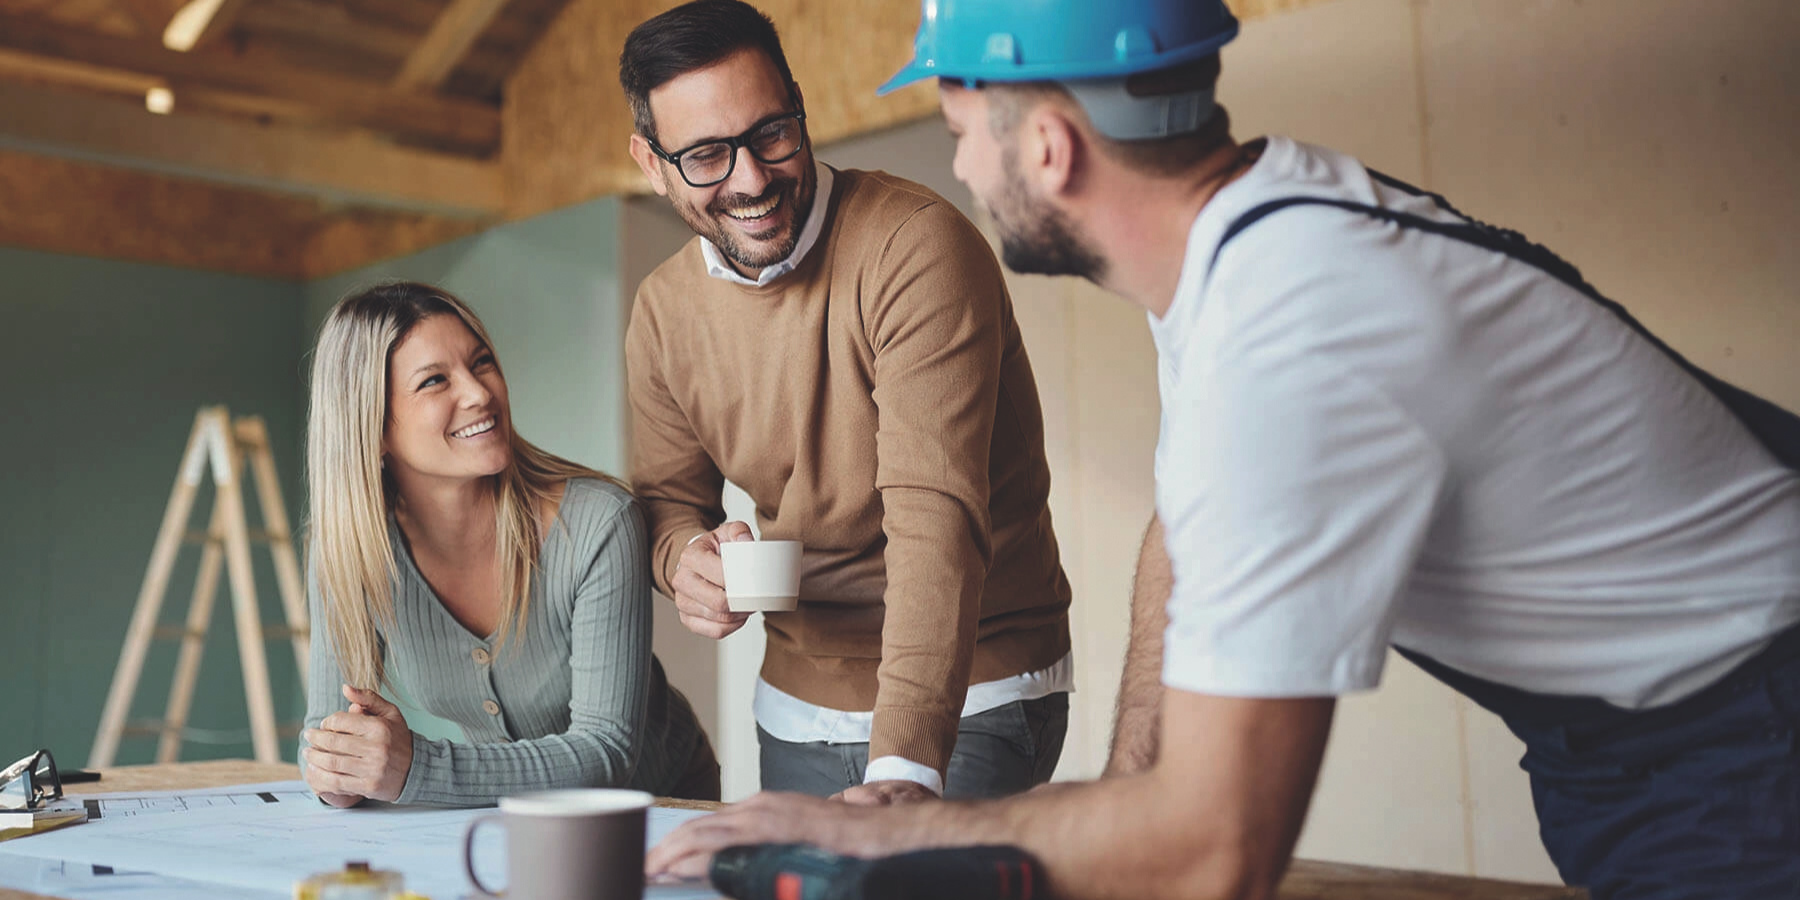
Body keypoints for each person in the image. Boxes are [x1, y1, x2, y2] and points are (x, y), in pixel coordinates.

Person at [648, 1, 1800, 897]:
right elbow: (1181, 528)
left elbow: (1216, 853)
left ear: (1046, 148)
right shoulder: (1246, 237)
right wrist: (1120, 794)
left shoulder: (1291, 332)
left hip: (1745, 734)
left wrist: (900, 820)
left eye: (959, 134)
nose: (956, 171)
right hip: (1646, 733)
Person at [618, 0, 1076, 805]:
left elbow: (935, 518)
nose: (752, 178)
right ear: (652, 165)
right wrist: (683, 561)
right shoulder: (662, 313)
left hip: (974, 689)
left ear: (800, 104)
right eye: (707, 157)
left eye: (771, 133)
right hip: (796, 706)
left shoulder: (913, 245)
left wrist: (903, 765)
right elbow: (666, 502)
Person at [298, 281, 717, 806]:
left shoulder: (598, 523)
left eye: (481, 363)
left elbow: (607, 753)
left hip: (662, 807)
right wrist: (345, 774)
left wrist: (414, 766)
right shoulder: (347, 549)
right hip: (507, 819)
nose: (478, 393)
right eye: (434, 381)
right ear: (372, 427)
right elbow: (323, 734)